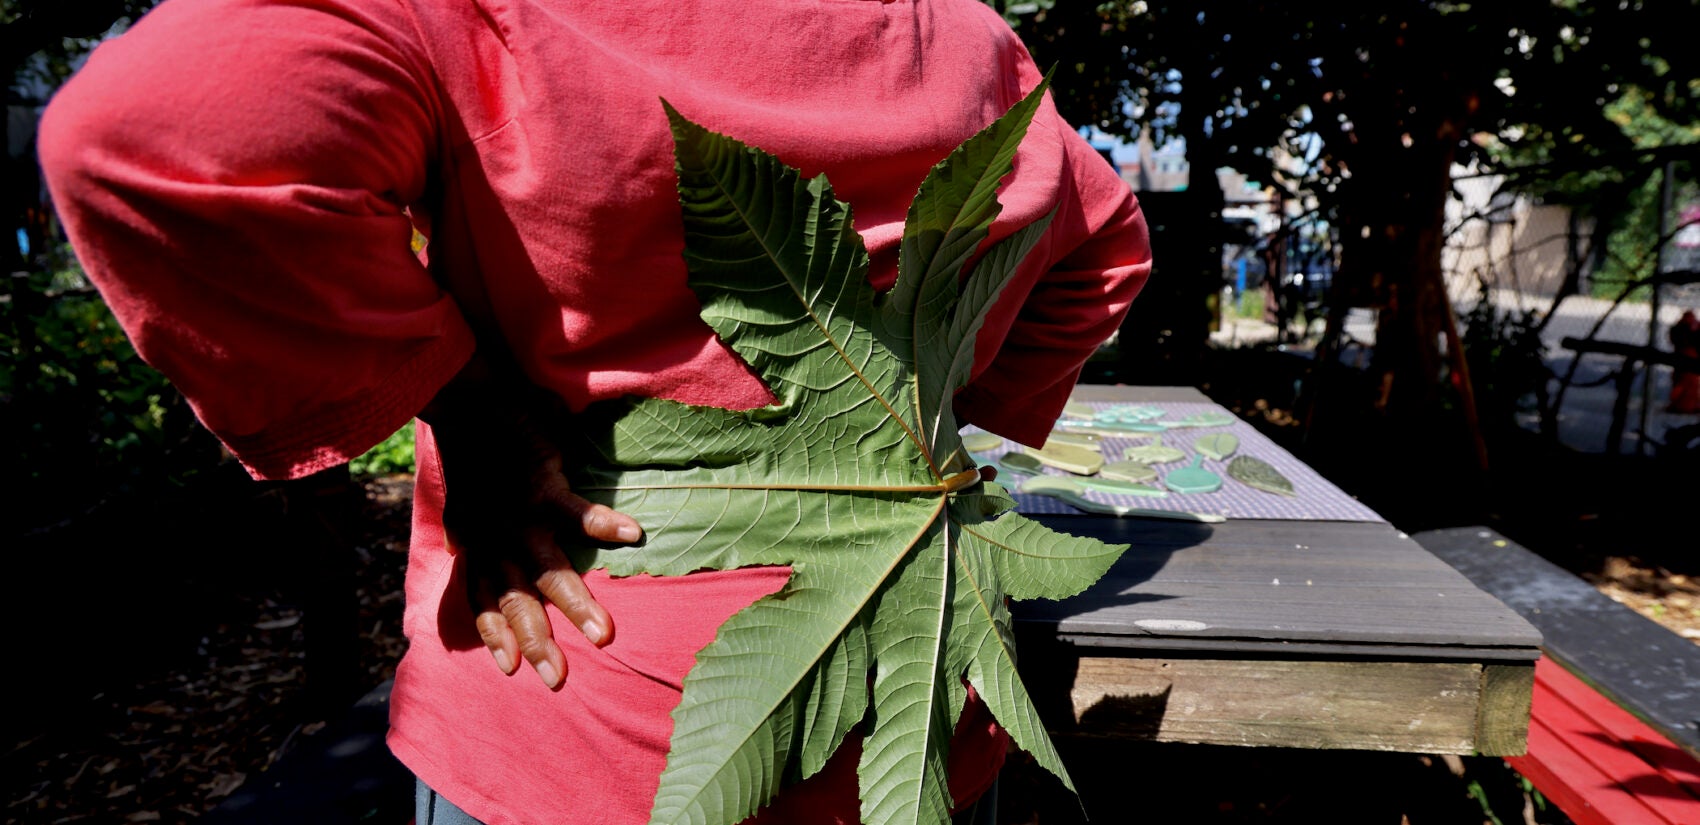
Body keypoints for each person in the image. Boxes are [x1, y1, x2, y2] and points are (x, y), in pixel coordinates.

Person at [38, 0, 1152, 822]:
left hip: (574, 705)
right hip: (912, 724)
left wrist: (476, 416)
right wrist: (939, 445)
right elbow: (1100, 243)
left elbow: (150, 133)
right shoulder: (960, 35)